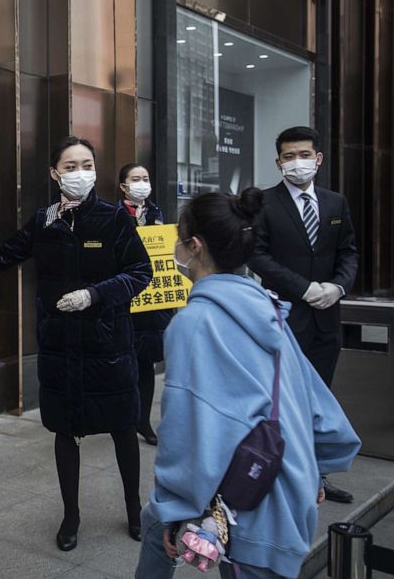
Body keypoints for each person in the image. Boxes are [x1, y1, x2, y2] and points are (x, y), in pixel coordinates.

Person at [0, 137, 151, 551]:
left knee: (122, 428)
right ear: (54, 174)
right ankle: (71, 516)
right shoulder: (44, 221)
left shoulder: (115, 219)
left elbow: (141, 272)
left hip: (107, 346)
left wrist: (94, 295)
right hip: (60, 347)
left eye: (86, 164)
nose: (80, 172)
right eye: (70, 166)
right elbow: (0, 257)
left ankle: (135, 509)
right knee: (65, 432)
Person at [135, 188, 360, 579]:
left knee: (160, 522)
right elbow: (313, 398)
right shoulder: (268, 308)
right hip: (291, 485)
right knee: (153, 522)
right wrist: (317, 467)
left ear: (195, 246)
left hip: (247, 506)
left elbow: (188, 431)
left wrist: (177, 508)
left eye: (179, 240)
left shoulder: (194, 323)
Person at [248, 126, 359, 504]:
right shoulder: (265, 202)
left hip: (327, 318)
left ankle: (318, 476)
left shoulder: (335, 203)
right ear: (278, 162)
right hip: (285, 317)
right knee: (283, 400)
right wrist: (304, 288)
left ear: (318, 158)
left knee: (321, 400)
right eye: (289, 157)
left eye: (304, 155)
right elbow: (257, 255)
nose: (298, 163)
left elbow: (348, 252)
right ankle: (281, 475)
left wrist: (337, 287)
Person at [118, 163, 174, 446]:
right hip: (124, 299)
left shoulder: (158, 214)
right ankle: (123, 417)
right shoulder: (113, 214)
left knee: (146, 365)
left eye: (145, 178)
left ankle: (141, 421)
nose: (142, 183)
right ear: (123, 186)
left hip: (150, 305)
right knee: (123, 364)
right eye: (135, 179)